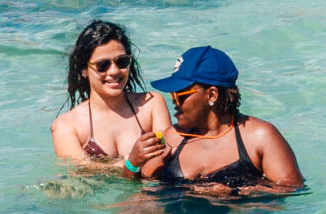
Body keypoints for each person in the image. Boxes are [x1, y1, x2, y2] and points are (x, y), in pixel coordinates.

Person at [127, 47, 304, 194]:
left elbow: (292, 191)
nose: (174, 101)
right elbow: (137, 190)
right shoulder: (171, 138)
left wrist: (235, 192)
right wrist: (133, 164)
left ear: (212, 95)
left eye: (180, 95)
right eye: (172, 95)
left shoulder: (259, 137)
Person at [51, 21, 172, 167]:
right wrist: (130, 162)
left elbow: (167, 154)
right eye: (102, 65)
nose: (114, 71)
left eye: (122, 62)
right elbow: (80, 171)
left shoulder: (151, 104)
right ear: (84, 70)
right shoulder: (67, 126)